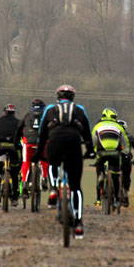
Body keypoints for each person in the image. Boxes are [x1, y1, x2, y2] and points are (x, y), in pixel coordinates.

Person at [36, 84, 93, 238]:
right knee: (76, 187)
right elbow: (87, 132)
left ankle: (54, 188)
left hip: (54, 143)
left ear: (58, 97)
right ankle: (79, 222)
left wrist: (39, 154)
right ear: (72, 97)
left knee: (51, 163)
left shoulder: (49, 110)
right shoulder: (79, 109)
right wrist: (90, 151)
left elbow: (42, 134)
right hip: (74, 145)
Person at [91, 108, 129, 207]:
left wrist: (92, 152)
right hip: (115, 153)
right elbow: (125, 141)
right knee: (115, 175)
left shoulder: (97, 126)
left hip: (101, 153)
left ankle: (100, 175)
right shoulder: (118, 126)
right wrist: (126, 152)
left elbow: (93, 142)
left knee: (99, 165)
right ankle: (116, 199)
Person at [0, 103, 21, 206]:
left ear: (4, 112)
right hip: (13, 148)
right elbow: (22, 136)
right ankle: (14, 198)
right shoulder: (19, 123)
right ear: (14, 113)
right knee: (15, 174)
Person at [14, 98, 49, 196]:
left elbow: (18, 128)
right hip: (43, 142)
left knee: (26, 162)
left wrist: (16, 141)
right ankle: (44, 179)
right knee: (44, 160)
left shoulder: (27, 116)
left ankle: (25, 182)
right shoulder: (46, 116)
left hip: (28, 143)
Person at [117, 119, 134, 207]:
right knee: (126, 176)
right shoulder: (129, 136)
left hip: (115, 158)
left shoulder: (113, 135)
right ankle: (125, 192)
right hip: (127, 159)